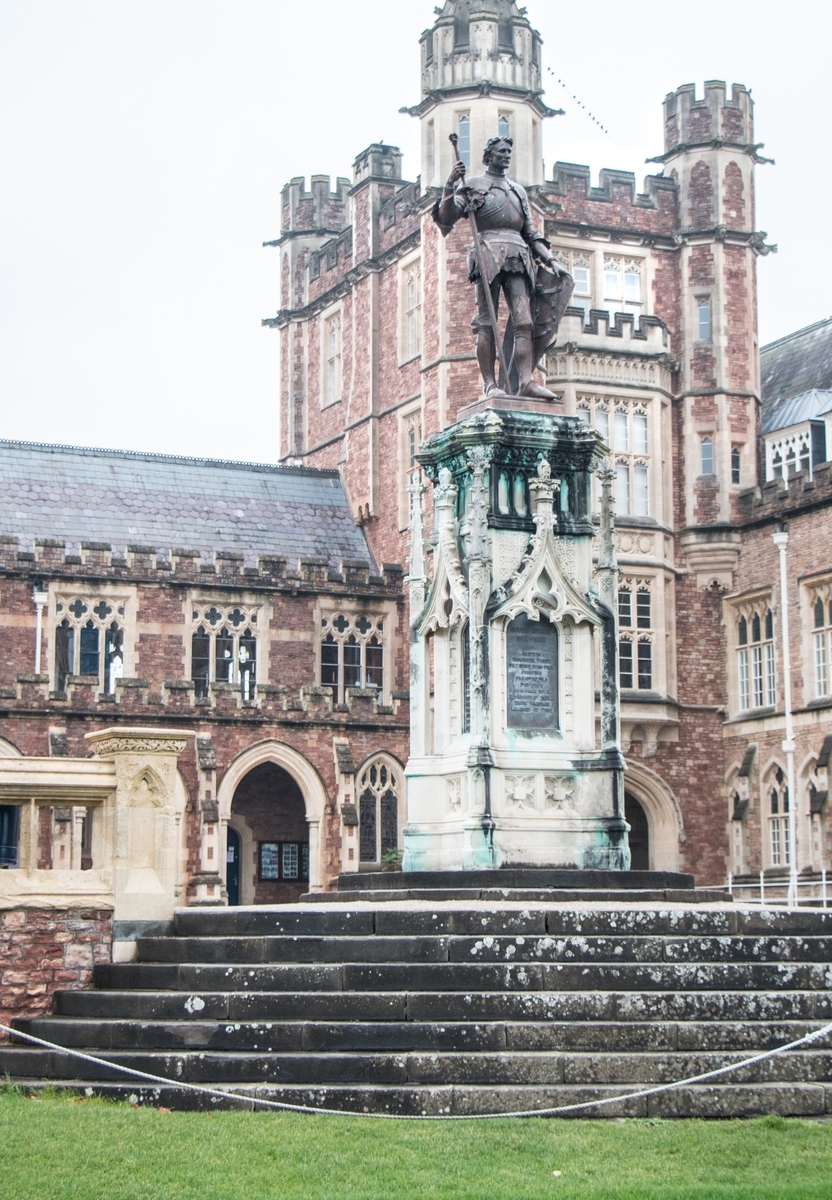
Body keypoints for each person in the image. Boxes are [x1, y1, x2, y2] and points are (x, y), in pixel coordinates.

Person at [433, 135, 572, 400]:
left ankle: (526, 381)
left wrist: (552, 261)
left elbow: (531, 234)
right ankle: (490, 384)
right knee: (487, 323)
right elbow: (447, 218)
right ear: (489, 155)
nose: (507, 154)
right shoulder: (472, 185)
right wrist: (449, 185)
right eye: (501, 151)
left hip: (519, 257)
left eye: (509, 151)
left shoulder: (518, 191)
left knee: (525, 321)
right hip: (487, 255)